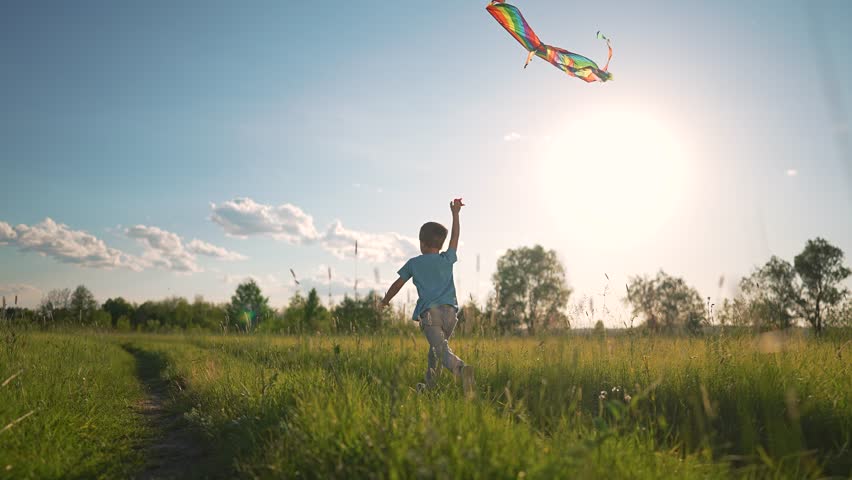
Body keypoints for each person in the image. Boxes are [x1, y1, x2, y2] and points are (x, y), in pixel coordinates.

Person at [381, 198, 475, 397]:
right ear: (440, 244)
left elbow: (398, 284)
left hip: (431, 316)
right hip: (451, 314)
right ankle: (430, 388)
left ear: (422, 243)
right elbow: (455, 239)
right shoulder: (446, 258)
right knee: (436, 351)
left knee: (440, 351)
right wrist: (455, 214)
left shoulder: (414, 263)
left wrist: (385, 301)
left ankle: (460, 368)